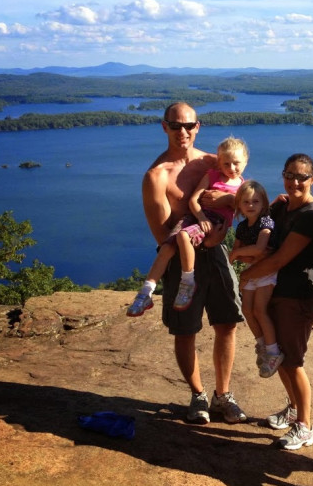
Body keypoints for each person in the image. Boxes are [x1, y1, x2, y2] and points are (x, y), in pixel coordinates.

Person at [138, 102, 247, 425]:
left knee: (226, 323)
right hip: (181, 259)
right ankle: (198, 394)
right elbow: (162, 235)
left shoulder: (213, 162)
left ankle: (222, 395)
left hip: (215, 252)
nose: (182, 132)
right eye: (175, 126)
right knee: (185, 331)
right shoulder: (156, 176)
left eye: (189, 126)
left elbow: (243, 196)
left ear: (198, 126)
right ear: (164, 127)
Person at [238, 153, 313, 451]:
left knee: (294, 362)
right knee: (281, 358)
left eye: (302, 177)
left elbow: (281, 258)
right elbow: (255, 210)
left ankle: (305, 426)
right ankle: (294, 409)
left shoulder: (311, 215)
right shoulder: (284, 206)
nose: (295, 181)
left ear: (312, 180)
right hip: (276, 291)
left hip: (297, 296)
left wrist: (244, 276)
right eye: (290, 174)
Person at [128, 136, 247, 316]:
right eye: (226, 163)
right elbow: (193, 200)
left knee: (183, 236)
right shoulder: (212, 175)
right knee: (166, 247)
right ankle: (146, 292)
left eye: (236, 163)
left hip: (214, 225)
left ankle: (188, 281)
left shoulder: (244, 188)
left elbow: (249, 210)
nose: (231, 168)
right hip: (196, 218)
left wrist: (230, 200)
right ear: (219, 162)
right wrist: (200, 217)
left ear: (245, 161)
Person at [228, 179, 284, 378]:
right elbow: (239, 253)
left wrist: (242, 255)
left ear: (264, 204)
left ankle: (274, 352)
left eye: (255, 202)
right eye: (246, 202)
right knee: (246, 310)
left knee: (260, 310)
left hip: (266, 271)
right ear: (239, 205)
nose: (251, 206)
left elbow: (259, 249)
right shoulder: (243, 227)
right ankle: (262, 344)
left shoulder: (266, 222)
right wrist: (248, 255)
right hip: (253, 268)